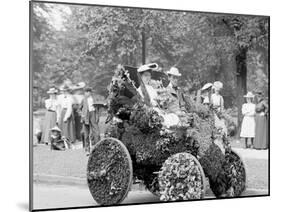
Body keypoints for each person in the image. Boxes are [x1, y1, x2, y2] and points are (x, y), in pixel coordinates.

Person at [80, 87, 100, 155]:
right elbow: (79, 109)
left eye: (87, 92)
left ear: (90, 92)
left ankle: (97, 147)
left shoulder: (94, 99)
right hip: (86, 116)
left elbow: (97, 108)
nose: (86, 93)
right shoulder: (83, 100)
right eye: (85, 92)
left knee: (96, 132)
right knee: (86, 134)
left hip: (93, 114)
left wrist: (97, 116)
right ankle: (87, 150)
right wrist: (82, 115)